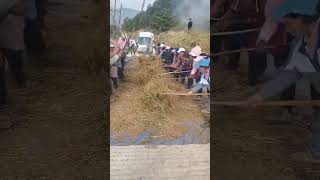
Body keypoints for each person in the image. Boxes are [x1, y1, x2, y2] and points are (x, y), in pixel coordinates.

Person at [247, 0, 320, 162]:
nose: (285, 28)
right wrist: (261, 96)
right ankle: (317, 153)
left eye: (287, 23)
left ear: (301, 18)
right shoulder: (302, 44)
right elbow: (289, 74)